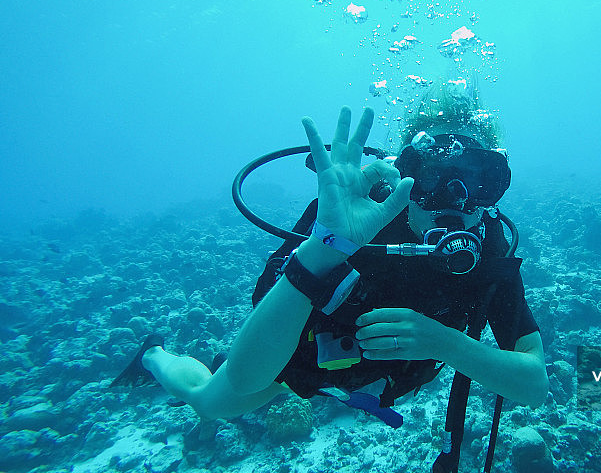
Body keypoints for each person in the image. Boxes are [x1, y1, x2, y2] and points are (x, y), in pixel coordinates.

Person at [113, 84, 548, 427]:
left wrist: (442, 342)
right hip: (301, 359)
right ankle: (153, 355)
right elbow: (247, 378)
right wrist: (325, 247)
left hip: (386, 380)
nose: (455, 199)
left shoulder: (488, 252)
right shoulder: (356, 216)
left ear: (496, 186)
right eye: (433, 176)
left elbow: (534, 384)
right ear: (406, 172)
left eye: (477, 180)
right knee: (209, 403)